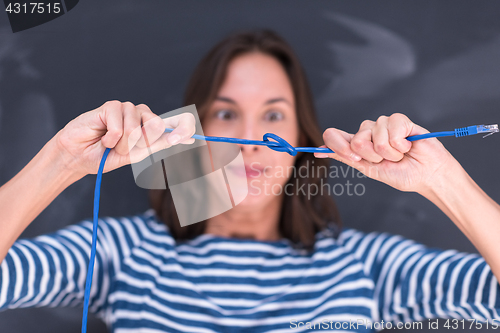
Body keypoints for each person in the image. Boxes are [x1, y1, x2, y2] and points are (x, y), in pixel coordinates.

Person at [1, 29, 500, 332]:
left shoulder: (368, 264)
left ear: (303, 139)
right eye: (225, 112)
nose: (251, 139)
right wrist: (62, 161)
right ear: (190, 133)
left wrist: (442, 180)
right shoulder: (118, 251)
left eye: (274, 115)